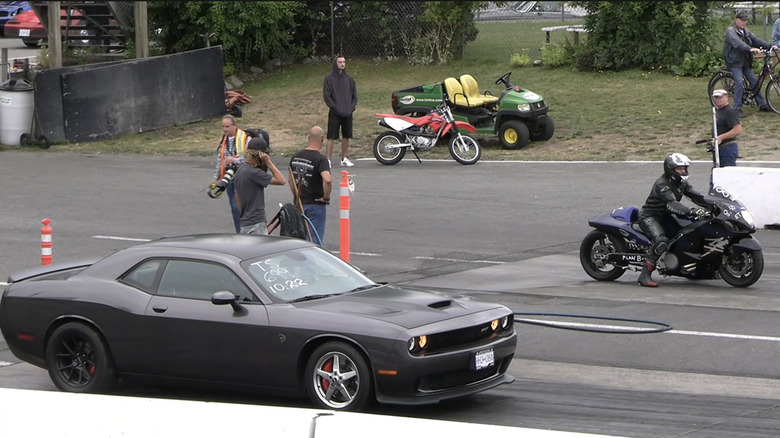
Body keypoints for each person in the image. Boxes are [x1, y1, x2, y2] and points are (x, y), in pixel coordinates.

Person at [636, 153, 713, 287]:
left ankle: (691, 269)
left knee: (690, 231)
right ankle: (644, 275)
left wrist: (713, 206)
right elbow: (672, 203)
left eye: (684, 168)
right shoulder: (662, 185)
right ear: (670, 169)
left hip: (666, 216)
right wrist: (692, 211)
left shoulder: (681, 182)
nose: (683, 171)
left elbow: (696, 196)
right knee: (662, 241)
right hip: (651, 216)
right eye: (679, 169)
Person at [723, 10, 777, 117]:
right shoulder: (731, 31)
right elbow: (738, 44)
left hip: (744, 61)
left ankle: (762, 104)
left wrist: (770, 46)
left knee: (755, 81)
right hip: (734, 62)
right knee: (739, 82)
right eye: (742, 20)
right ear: (736, 20)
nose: (744, 22)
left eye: (746, 20)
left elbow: (756, 40)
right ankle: (737, 108)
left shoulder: (746, 31)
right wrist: (750, 49)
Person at [233, 137, 286, 235]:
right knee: (262, 250)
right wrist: (268, 162)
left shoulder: (240, 171)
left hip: (245, 222)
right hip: (256, 222)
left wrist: (244, 213)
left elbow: (237, 196)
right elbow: (281, 180)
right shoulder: (255, 173)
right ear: (259, 155)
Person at [289, 126, 333, 244]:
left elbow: (291, 179)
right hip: (315, 204)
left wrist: (297, 195)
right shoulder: (320, 159)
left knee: (299, 241)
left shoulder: (295, 156)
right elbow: (327, 180)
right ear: (322, 139)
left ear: (309, 138)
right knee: (314, 241)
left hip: (299, 203)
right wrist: (326, 197)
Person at [212, 115, 250, 233]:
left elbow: (251, 158)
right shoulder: (224, 140)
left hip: (242, 177)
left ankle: (242, 231)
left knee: (237, 206)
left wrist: (235, 160)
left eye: (227, 126)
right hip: (229, 178)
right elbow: (221, 159)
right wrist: (215, 178)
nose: (225, 129)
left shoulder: (245, 139)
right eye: (223, 126)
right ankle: (239, 230)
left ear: (234, 126)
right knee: (234, 209)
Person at [323, 55, 357, 168]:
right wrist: (335, 107)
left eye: (344, 62)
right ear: (335, 63)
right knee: (331, 136)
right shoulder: (329, 78)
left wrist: (351, 107)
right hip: (335, 112)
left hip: (347, 113)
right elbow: (327, 96)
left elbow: (354, 96)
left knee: (346, 136)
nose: (342, 64)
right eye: (340, 62)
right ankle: (328, 160)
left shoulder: (350, 79)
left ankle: (344, 158)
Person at [711, 88, 743, 167]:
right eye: (716, 97)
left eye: (720, 97)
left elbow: (737, 130)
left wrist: (721, 137)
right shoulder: (719, 111)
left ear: (727, 97)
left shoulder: (730, 111)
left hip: (728, 147)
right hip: (720, 148)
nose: (717, 99)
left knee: (727, 174)